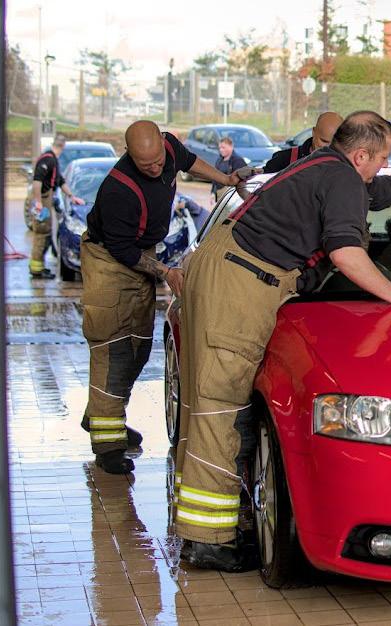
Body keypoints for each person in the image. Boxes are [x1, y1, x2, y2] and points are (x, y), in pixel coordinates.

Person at [174, 111, 391, 572]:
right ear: (361, 155)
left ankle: (204, 529)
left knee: (211, 402)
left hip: (231, 267)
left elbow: (373, 191)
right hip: (239, 283)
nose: (382, 167)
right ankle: (207, 541)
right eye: (381, 159)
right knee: (220, 403)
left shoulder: (327, 166)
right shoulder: (340, 179)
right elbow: (346, 251)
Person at [80, 120, 252, 475]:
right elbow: (121, 250)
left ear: (162, 141)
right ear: (130, 155)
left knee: (138, 347)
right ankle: (107, 446)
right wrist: (166, 272)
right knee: (114, 346)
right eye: (146, 165)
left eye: (159, 160)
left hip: (142, 254)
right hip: (109, 261)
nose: (156, 168)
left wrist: (225, 179)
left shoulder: (170, 148)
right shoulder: (117, 191)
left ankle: (101, 414)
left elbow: (189, 161)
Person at [30, 135, 86, 279]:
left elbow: (60, 181)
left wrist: (72, 196)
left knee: (46, 233)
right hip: (43, 200)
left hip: (46, 199)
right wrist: (38, 202)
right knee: (42, 233)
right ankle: (36, 270)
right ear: (62, 147)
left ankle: (39, 267)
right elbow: (37, 182)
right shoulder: (48, 160)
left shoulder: (53, 160)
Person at [263, 111, 344, 173]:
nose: (329, 148)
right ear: (314, 132)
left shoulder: (346, 165)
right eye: (324, 141)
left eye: (335, 144)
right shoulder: (283, 160)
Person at [211, 136, 246, 202]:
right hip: (219, 193)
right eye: (220, 148)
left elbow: (241, 180)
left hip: (232, 195)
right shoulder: (219, 160)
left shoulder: (238, 160)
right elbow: (214, 177)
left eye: (223, 147)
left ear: (231, 146)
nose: (221, 150)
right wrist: (213, 192)